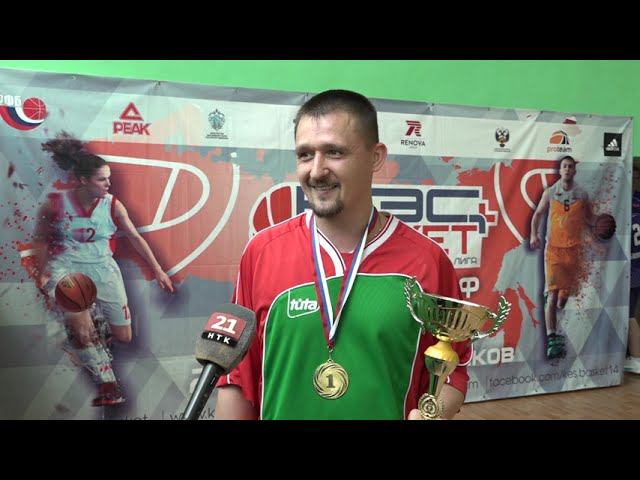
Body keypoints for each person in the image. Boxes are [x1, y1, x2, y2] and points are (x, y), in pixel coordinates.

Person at [214, 90, 470, 420]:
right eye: (305, 155)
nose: (316, 170)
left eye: (334, 152)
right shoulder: (262, 252)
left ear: (375, 157)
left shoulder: (427, 261)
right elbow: (238, 379)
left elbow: (454, 369)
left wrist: (434, 414)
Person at [33, 132, 174, 407]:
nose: (109, 184)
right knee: (84, 330)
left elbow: (135, 238)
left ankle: (86, 329)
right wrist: (42, 272)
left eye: (108, 178)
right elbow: (39, 239)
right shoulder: (55, 204)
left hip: (103, 270)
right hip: (68, 270)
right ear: (83, 180)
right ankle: (108, 384)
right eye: (102, 179)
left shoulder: (113, 205)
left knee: (124, 336)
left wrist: (158, 270)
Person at [530, 155, 594, 360]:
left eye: (570, 166)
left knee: (562, 300)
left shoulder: (582, 194)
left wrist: (599, 229)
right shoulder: (550, 192)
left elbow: (590, 219)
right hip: (554, 251)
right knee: (551, 296)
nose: (567, 169)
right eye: (564, 166)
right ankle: (552, 338)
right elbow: (537, 214)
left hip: (574, 252)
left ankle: (557, 299)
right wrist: (533, 235)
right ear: (560, 170)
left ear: (574, 171)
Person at [626, 160, 640, 374]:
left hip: (632, 269)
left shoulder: (627, 205)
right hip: (635, 267)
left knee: (628, 315)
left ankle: (636, 358)